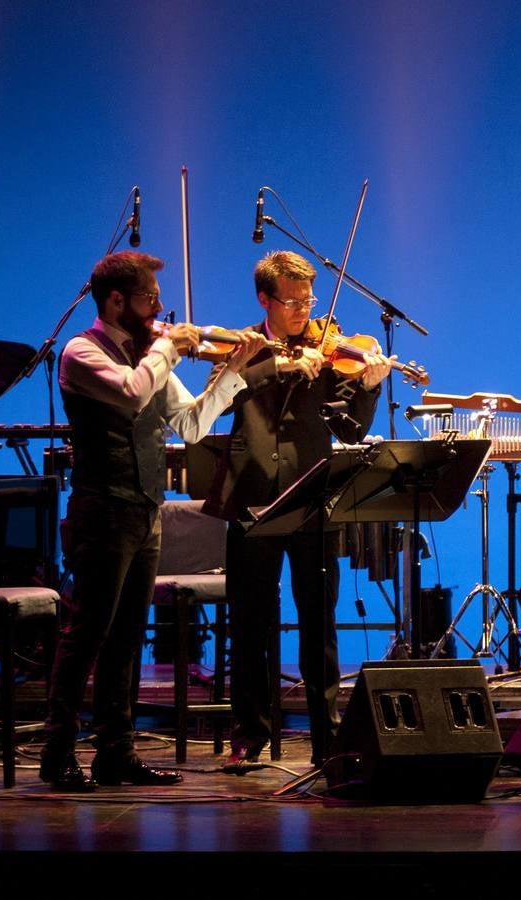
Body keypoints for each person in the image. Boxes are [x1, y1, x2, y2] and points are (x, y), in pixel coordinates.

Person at [41, 251, 266, 791]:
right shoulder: (81, 353)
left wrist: (233, 371)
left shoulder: (149, 355)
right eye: (148, 297)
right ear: (116, 300)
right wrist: (168, 345)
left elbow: (190, 425)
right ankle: (56, 754)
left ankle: (115, 753)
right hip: (102, 511)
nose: (160, 308)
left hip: (144, 512)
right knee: (86, 636)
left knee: (125, 638)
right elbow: (130, 393)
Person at [205, 250, 391, 766]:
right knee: (249, 622)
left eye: (310, 299)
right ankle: (249, 733)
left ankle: (327, 738)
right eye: (293, 301)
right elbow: (220, 399)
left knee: (319, 621)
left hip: (314, 496)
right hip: (252, 495)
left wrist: (370, 389)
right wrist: (283, 364)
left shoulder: (328, 348)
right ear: (264, 299)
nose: (305, 310)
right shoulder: (240, 348)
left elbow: (349, 426)